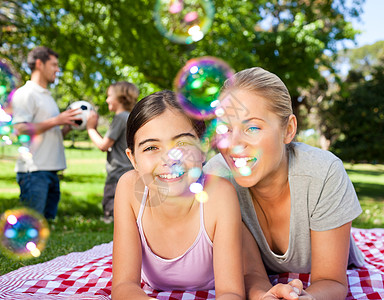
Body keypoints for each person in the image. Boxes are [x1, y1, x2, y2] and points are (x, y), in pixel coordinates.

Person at [204, 67, 365, 299]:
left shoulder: (322, 173)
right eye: (225, 129)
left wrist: (307, 298)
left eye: (252, 127)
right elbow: (250, 273)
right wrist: (264, 296)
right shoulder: (218, 178)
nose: (234, 143)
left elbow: (331, 280)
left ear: (288, 130)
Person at [111, 90, 245, 299]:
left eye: (182, 143)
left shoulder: (220, 195)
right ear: (133, 159)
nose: (170, 158)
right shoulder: (128, 188)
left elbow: (231, 292)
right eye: (151, 147)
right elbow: (123, 286)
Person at [11, 46, 80, 220]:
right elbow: (20, 129)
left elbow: (53, 135)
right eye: (54, 65)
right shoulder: (26, 94)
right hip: (34, 171)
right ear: (40, 64)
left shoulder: (47, 96)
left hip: (51, 170)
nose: (58, 70)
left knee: (46, 224)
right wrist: (57, 120)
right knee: (32, 223)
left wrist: (68, 125)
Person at [86, 81, 139, 223]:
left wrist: (90, 128)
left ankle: (110, 220)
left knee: (112, 204)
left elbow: (104, 145)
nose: (107, 99)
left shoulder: (120, 117)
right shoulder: (131, 117)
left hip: (117, 173)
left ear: (120, 98)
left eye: (109, 96)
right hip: (129, 171)